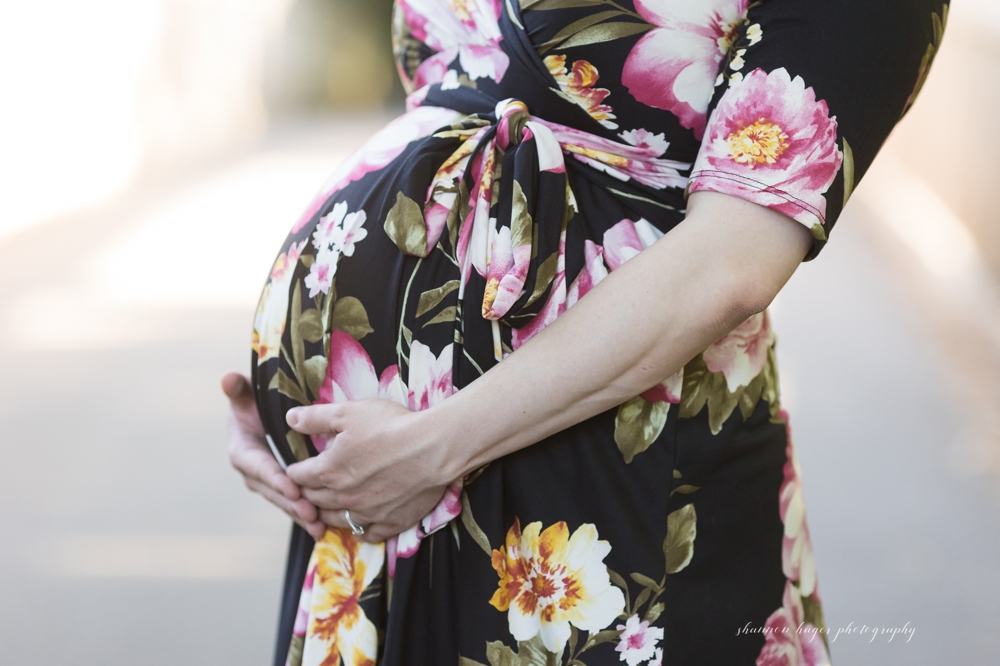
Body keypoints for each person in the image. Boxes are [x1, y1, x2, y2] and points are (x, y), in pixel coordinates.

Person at [223, 0, 949, 663]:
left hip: (594, 485)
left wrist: (431, 449)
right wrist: (291, 382)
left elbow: (731, 264)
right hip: (380, 488)